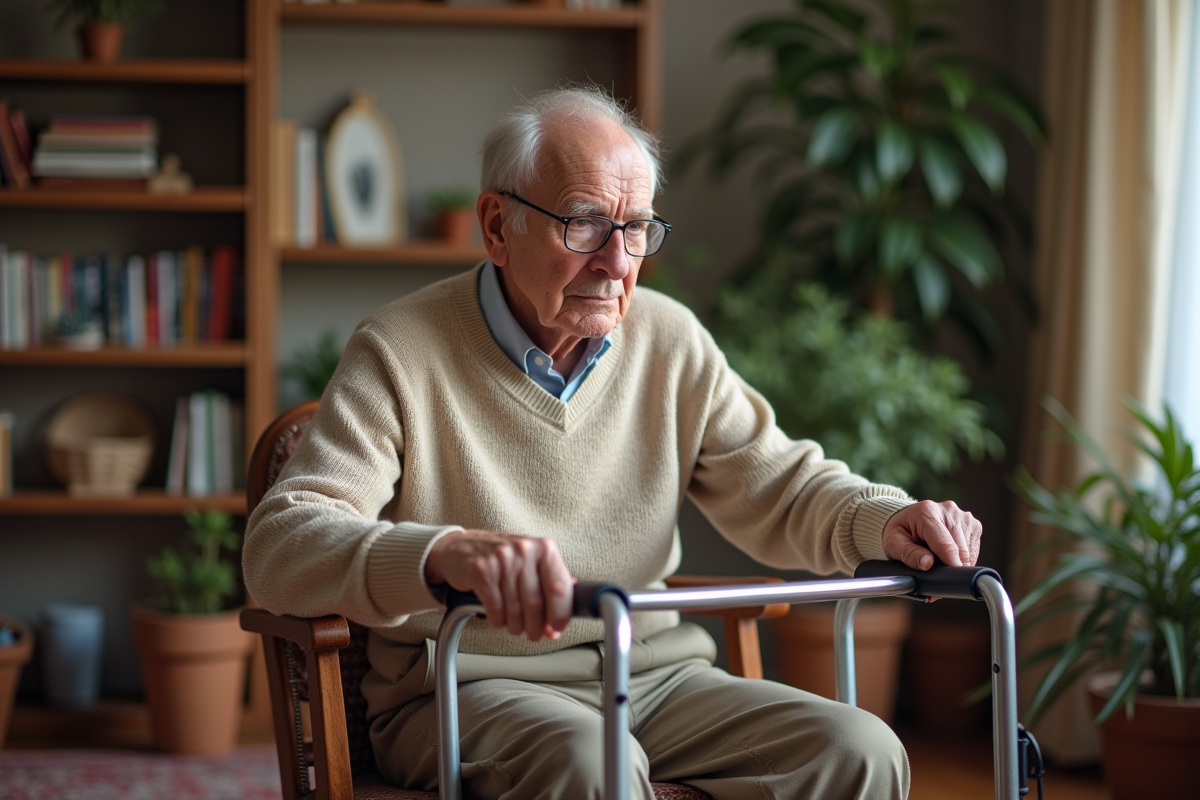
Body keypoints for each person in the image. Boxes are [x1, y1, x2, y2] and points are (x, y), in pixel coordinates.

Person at [244, 86, 983, 800]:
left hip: (654, 677)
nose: (618, 261)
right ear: (498, 226)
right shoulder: (398, 350)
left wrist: (885, 519)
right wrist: (440, 556)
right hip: (468, 688)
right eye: (584, 224)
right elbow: (281, 546)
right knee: (595, 764)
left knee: (860, 751)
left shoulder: (670, 341)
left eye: (636, 229)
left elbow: (782, 486)